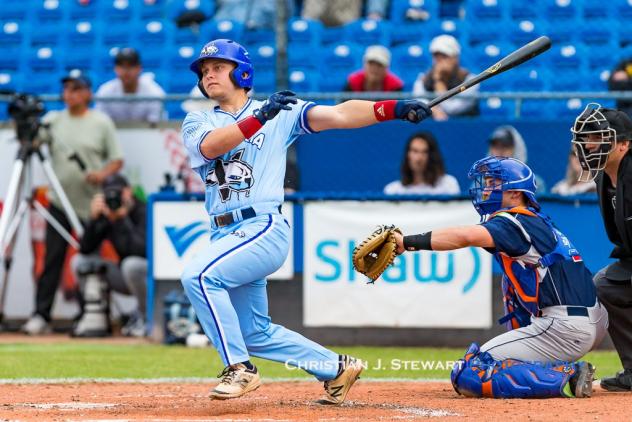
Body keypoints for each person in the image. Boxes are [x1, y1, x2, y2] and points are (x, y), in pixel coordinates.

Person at [181, 39, 431, 402]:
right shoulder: (198, 119)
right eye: (204, 71)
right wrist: (259, 116)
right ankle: (335, 367)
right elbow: (211, 147)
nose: (209, 75)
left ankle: (239, 368)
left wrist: (392, 108)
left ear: (242, 71)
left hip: (262, 227)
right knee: (254, 332)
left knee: (199, 276)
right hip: (224, 233)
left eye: (218, 67)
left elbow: (342, 114)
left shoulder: (279, 113)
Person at [390, 155, 607, 398]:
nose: (486, 189)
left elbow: (465, 236)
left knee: (471, 371)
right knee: (510, 282)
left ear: (516, 193)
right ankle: (557, 369)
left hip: (566, 327)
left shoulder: (513, 220)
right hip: (591, 320)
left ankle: (569, 375)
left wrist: (407, 242)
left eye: (494, 183)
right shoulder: (532, 221)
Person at [21, 70, 123, 335]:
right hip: (59, 202)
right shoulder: (53, 120)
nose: (70, 93)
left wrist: (100, 175)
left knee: (89, 263)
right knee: (52, 260)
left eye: (76, 88)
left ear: (88, 93)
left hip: (91, 205)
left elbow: (116, 159)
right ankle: (41, 314)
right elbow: (32, 143)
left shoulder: (101, 122)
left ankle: (90, 315)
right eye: (67, 88)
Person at [570, 104, 632, 391]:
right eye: (586, 139)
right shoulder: (604, 177)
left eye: (597, 138)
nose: (589, 145)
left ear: (623, 144)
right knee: (606, 284)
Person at [70, 174, 147, 338]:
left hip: (145, 275)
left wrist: (122, 219)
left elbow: (140, 250)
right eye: (109, 193)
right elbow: (85, 249)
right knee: (79, 262)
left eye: (118, 192)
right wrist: (93, 220)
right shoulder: (107, 212)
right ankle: (97, 317)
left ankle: (144, 316)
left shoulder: (144, 210)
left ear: (129, 191)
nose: (114, 197)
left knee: (131, 264)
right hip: (122, 276)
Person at [413, 34, 479, 120]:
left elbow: (452, 109)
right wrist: (434, 110)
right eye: (436, 57)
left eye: (444, 56)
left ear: (455, 58)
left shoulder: (470, 79)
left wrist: (439, 81)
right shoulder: (424, 78)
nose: (439, 61)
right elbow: (418, 101)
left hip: (465, 128)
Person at [95, 47, 166, 125]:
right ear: (115, 69)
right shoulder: (105, 92)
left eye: (131, 66)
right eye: (122, 66)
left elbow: (156, 127)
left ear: (139, 68)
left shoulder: (154, 93)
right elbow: (100, 125)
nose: (126, 71)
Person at [383, 131, 460, 195]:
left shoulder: (448, 184)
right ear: (407, 155)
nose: (419, 158)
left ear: (432, 156)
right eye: (415, 151)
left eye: (424, 152)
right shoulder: (393, 190)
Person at [487, 125, 547, 193]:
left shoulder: (534, 183)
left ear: (516, 149)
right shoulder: (481, 182)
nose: (500, 151)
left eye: (505, 146)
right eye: (496, 147)